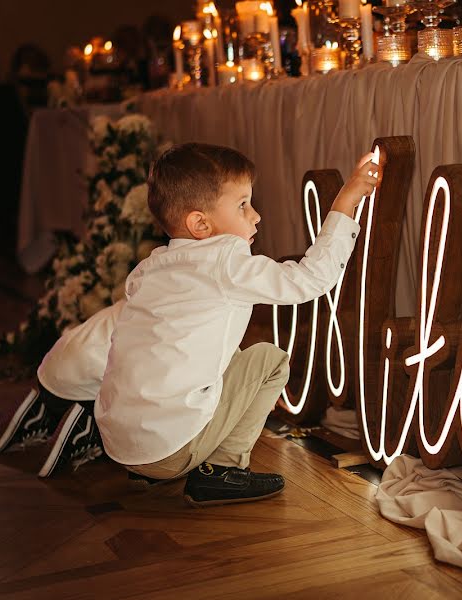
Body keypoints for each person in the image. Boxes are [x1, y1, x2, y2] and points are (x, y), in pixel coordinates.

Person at [95, 142, 378, 507]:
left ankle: (158, 464)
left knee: (225, 352)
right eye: (243, 205)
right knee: (269, 359)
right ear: (200, 224)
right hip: (168, 450)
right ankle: (224, 472)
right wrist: (346, 201)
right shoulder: (223, 261)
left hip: (121, 443)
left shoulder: (151, 267)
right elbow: (310, 280)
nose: (256, 215)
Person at [0, 301, 123, 478]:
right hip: (85, 394)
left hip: (50, 371)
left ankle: (45, 414)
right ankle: (86, 428)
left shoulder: (140, 285)